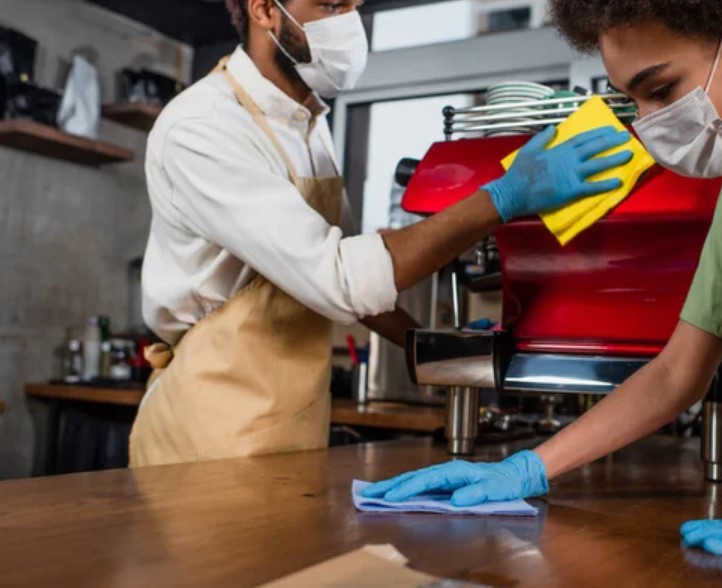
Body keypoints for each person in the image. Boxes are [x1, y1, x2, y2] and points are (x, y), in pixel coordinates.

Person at [365, 0, 722, 566]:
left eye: (661, 90)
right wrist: (527, 468)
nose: (647, 124)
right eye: (632, 101)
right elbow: (676, 373)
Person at [127, 0, 633, 467]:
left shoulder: (305, 122)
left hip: (290, 424)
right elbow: (340, 279)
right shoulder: (205, 126)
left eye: (354, 6)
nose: (350, 24)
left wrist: (425, 344)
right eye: (331, 5)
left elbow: (348, 267)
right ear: (264, 10)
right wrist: (502, 197)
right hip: (209, 431)